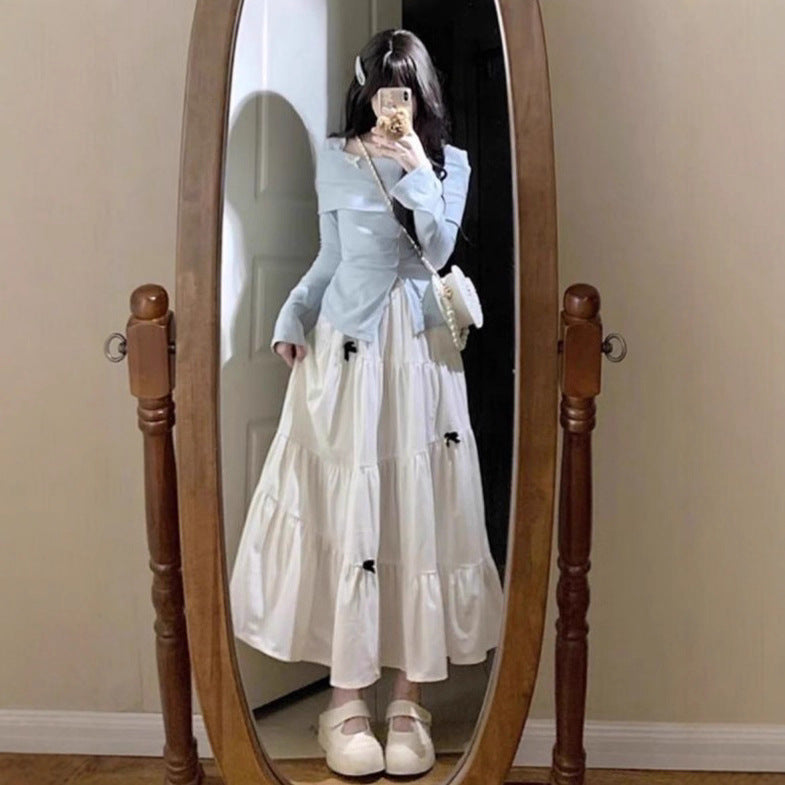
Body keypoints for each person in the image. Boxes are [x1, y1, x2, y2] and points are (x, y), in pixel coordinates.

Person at [228, 28, 504, 778]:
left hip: (419, 358)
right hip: (345, 354)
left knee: (418, 514)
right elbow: (329, 257)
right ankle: (345, 701)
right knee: (347, 512)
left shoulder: (448, 164)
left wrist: (416, 169)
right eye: (384, 92)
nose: (393, 105)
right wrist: (291, 316)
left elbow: (438, 251)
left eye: (404, 91)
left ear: (422, 94)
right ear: (366, 93)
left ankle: (409, 700)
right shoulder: (335, 159)